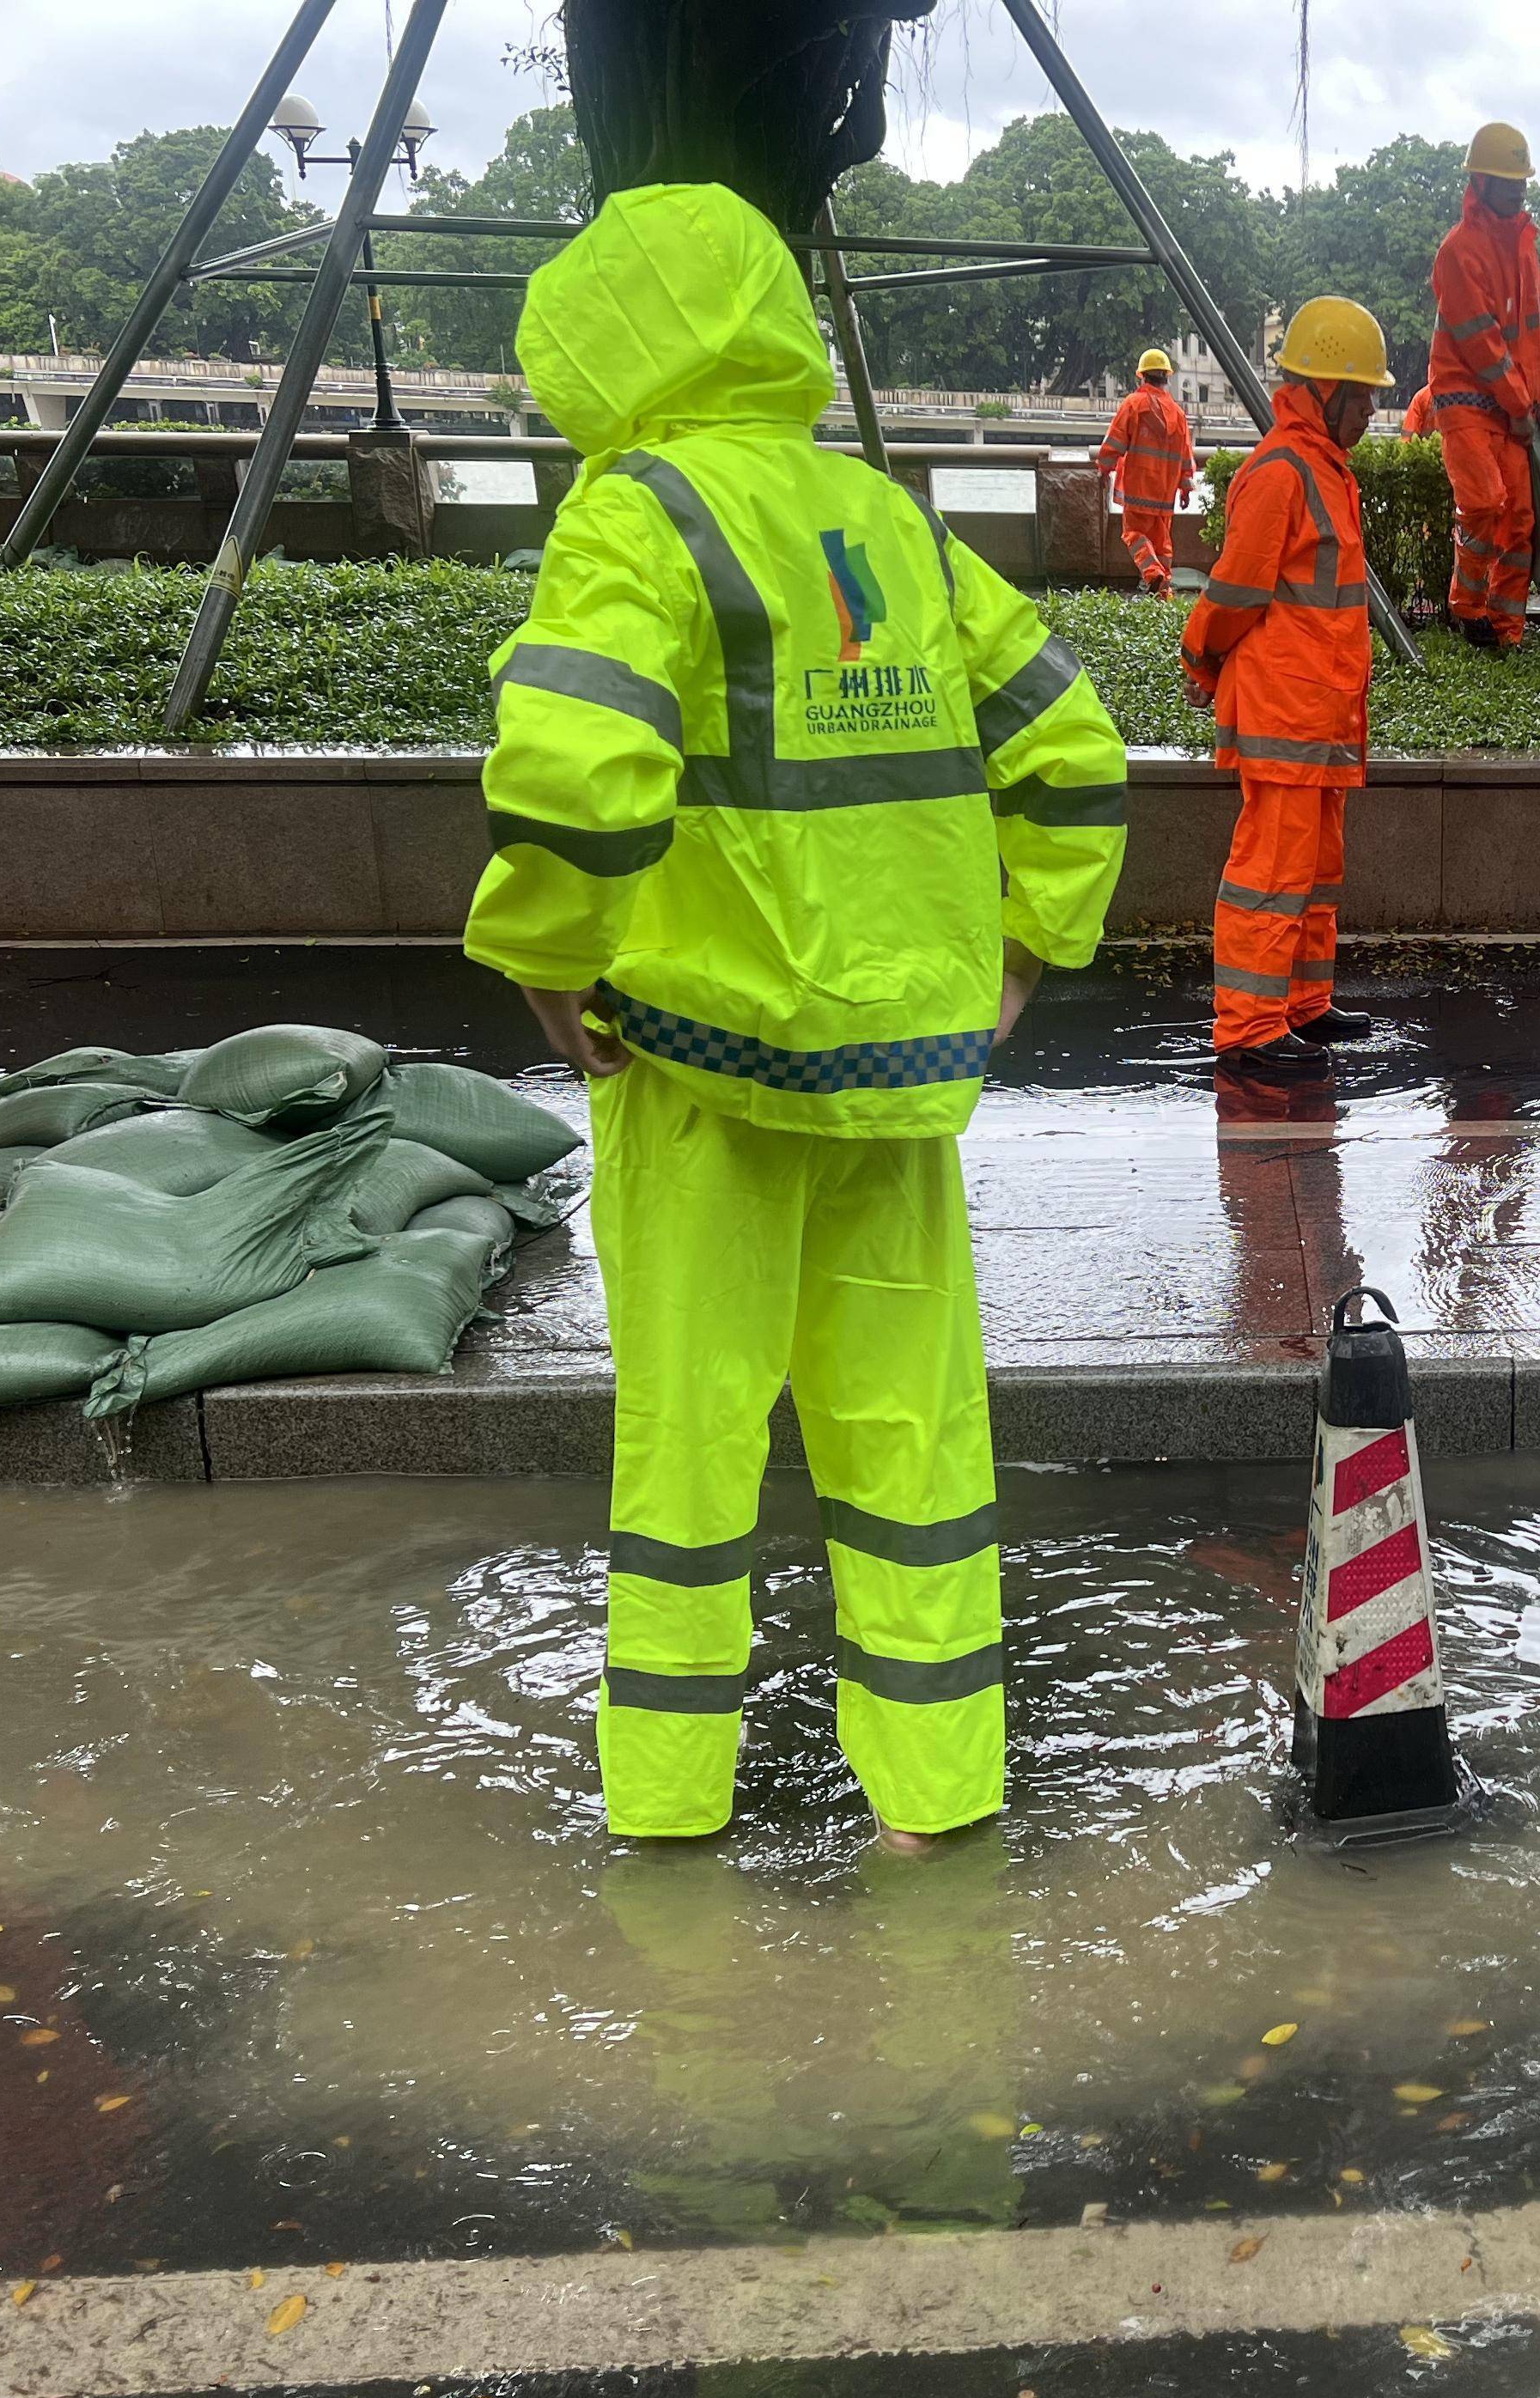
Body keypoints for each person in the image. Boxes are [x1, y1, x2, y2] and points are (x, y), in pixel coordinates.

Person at [465, 184, 1128, 1851]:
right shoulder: (887, 521)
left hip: (697, 1072)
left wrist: (549, 957)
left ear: (602, 346)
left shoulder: (637, 514)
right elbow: (1072, 750)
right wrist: (1024, 954)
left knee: (689, 1452)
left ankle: (671, 1812)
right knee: (914, 1445)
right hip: (899, 1075)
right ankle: (935, 1803)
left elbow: (576, 766)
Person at [1180, 298, 1386, 1077]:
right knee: (1270, 874)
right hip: (1289, 714)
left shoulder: (1320, 469)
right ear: (1324, 390)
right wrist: (1200, 659)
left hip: (1320, 715)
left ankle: (1302, 1005)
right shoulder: (1283, 472)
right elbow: (1235, 591)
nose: (1371, 411)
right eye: (1361, 395)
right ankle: (1250, 1027)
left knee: (1316, 872)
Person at [1427, 121, 1540, 649]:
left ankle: (1506, 631)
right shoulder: (1458, 250)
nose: (1519, 189)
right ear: (1480, 182)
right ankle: (1467, 607)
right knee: (1483, 503)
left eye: (1521, 180)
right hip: (1465, 399)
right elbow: (1481, 342)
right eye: (1508, 180)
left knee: (1519, 519)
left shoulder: (1524, 246)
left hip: (1514, 407)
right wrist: (1523, 405)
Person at [1091, 345, 1195, 598]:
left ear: (1142, 376)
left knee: (1134, 534)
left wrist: (1103, 468)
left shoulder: (1134, 405)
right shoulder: (1178, 414)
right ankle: (1163, 595)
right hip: (1165, 494)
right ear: (1166, 377)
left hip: (1138, 488)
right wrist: (1185, 488)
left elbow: (1115, 442)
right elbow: (1185, 456)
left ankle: (1153, 574)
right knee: (1162, 545)